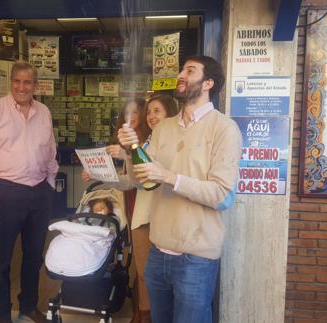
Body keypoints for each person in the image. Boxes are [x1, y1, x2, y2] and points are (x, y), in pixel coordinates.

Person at [118, 56, 242, 323]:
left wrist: (170, 176)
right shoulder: (163, 128)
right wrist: (131, 152)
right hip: (158, 253)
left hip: (196, 259)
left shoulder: (225, 129)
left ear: (208, 83)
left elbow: (222, 196)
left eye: (190, 70)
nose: (180, 75)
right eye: (181, 70)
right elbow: (144, 182)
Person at [0, 61, 57, 323]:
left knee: (33, 256)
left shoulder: (44, 112)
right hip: (8, 191)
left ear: (35, 85)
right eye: (17, 81)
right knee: (2, 260)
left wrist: (50, 184)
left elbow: (50, 152)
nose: (21, 87)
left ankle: (28, 306)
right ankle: (2, 314)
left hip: (39, 192)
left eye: (27, 82)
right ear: (11, 83)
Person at [82, 95, 178, 323]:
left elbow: (150, 179)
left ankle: (150, 313)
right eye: (149, 112)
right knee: (143, 271)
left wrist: (127, 154)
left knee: (157, 274)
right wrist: (101, 175)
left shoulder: (167, 143)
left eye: (156, 111)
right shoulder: (142, 144)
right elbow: (132, 181)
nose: (150, 116)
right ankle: (143, 312)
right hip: (141, 212)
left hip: (165, 214)